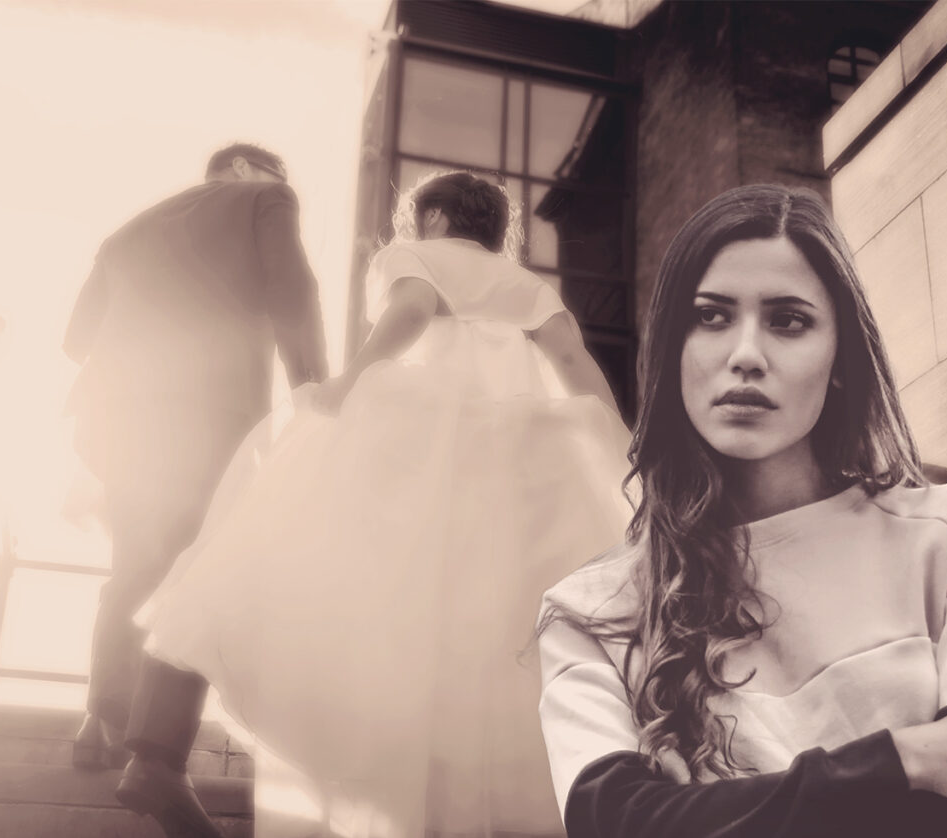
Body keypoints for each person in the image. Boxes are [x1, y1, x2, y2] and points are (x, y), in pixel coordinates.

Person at [536, 184, 947, 838]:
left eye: (788, 321)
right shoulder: (591, 609)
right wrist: (903, 758)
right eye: (712, 316)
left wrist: (728, 812)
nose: (746, 355)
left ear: (840, 357)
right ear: (675, 348)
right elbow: (616, 822)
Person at [125, 171, 634, 837]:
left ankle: (159, 745)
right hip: (509, 455)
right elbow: (572, 359)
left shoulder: (413, 256)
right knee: (474, 626)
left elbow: (414, 309)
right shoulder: (528, 285)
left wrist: (352, 381)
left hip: (416, 442)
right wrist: (620, 441)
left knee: (304, 555)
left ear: (433, 218)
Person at [62, 142, 328, 777]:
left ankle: (101, 713)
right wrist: (312, 392)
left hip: (120, 423)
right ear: (239, 168)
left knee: (138, 562)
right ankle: (154, 752)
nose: (284, 185)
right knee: (206, 564)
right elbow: (293, 289)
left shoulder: (126, 232)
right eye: (276, 171)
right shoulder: (263, 199)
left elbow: (76, 340)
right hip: (210, 411)